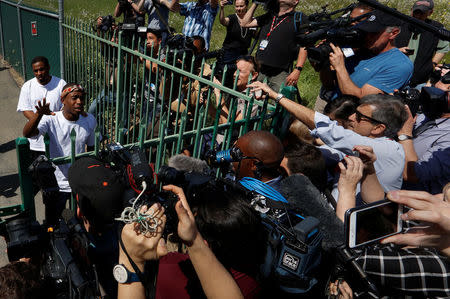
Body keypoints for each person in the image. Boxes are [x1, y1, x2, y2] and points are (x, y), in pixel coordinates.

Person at [248, 82, 408, 198]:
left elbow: (331, 131)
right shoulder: (366, 143)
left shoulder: (386, 149)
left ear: (378, 128)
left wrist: (277, 96)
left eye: (359, 117)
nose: (351, 118)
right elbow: (334, 153)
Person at [118, 184, 264, 299]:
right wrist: (194, 239)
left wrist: (132, 260)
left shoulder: (169, 267)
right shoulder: (254, 281)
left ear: (207, 243)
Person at [23, 83, 97, 225]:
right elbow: (27, 133)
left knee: (80, 222)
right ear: (63, 100)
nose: (80, 102)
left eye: (82, 98)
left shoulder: (89, 119)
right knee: (54, 224)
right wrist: (38, 114)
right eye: (74, 98)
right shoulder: (51, 119)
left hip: (79, 182)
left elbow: (92, 151)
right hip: (56, 183)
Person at [315, 10, 413, 111]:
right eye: (366, 31)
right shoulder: (358, 50)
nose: (367, 36)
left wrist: (340, 67)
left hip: (353, 122)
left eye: (373, 33)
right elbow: (330, 85)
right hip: (330, 110)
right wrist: (325, 63)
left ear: (393, 33)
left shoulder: (399, 65)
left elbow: (361, 100)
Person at [240, 0, 308, 92]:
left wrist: (298, 69)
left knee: (277, 102)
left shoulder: (299, 18)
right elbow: (245, 23)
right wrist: (256, 3)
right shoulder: (270, 16)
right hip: (261, 70)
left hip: (280, 72)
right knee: (255, 102)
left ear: (295, 1)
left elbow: (304, 45)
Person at [396, 83, 450, 194]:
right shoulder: (427, 115)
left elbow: (412, 175)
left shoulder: (447, 141)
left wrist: (404, 134)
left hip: (409, 199)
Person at [17, 56, 66, 156]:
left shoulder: (60, 84)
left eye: (41, 69)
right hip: (37, 140)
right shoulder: (27, 86)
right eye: (36, 71)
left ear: (48, 67)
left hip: (58, 136)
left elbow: (65, 107)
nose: (39, 73)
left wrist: (51, 120)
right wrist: (40, 118)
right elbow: (25, 109)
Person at [395, 0, 449, 87]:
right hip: (395, 76)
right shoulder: (399, 24)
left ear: (430, 13)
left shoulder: (436, 28)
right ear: (411, 10)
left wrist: (433, 64)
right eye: (416, 12)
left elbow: (443, 48)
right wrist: (397, 51)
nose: (418, 16)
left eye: (422, 13)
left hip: (420, 80)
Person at [217, 0, 254, 77]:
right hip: (229, 53)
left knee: (238, 76)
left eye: (241, 6)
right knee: (225, 75)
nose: (239, 8)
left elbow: (255, 35)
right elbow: (223, 21)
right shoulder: (232, 18)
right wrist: (222, 9)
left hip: (243, 53)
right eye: (237, 6)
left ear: (246, 6)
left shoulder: (252, 20)